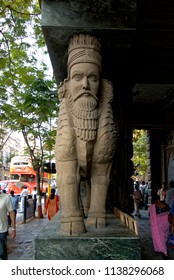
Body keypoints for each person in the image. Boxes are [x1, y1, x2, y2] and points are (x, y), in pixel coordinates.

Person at [149, 194, 170, 259]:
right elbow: (169, 211)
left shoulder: (153, 207)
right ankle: (162, 248)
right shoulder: (165, 204)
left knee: (160, 238)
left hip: (158, 224)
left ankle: (165, 252)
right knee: (164, 237)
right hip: (166, 223)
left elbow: (150, 215)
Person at [0, 186, 16, 259]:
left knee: (2, 253)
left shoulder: (6, 197)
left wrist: (13, 228)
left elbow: (11, 212)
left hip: (2, 230)